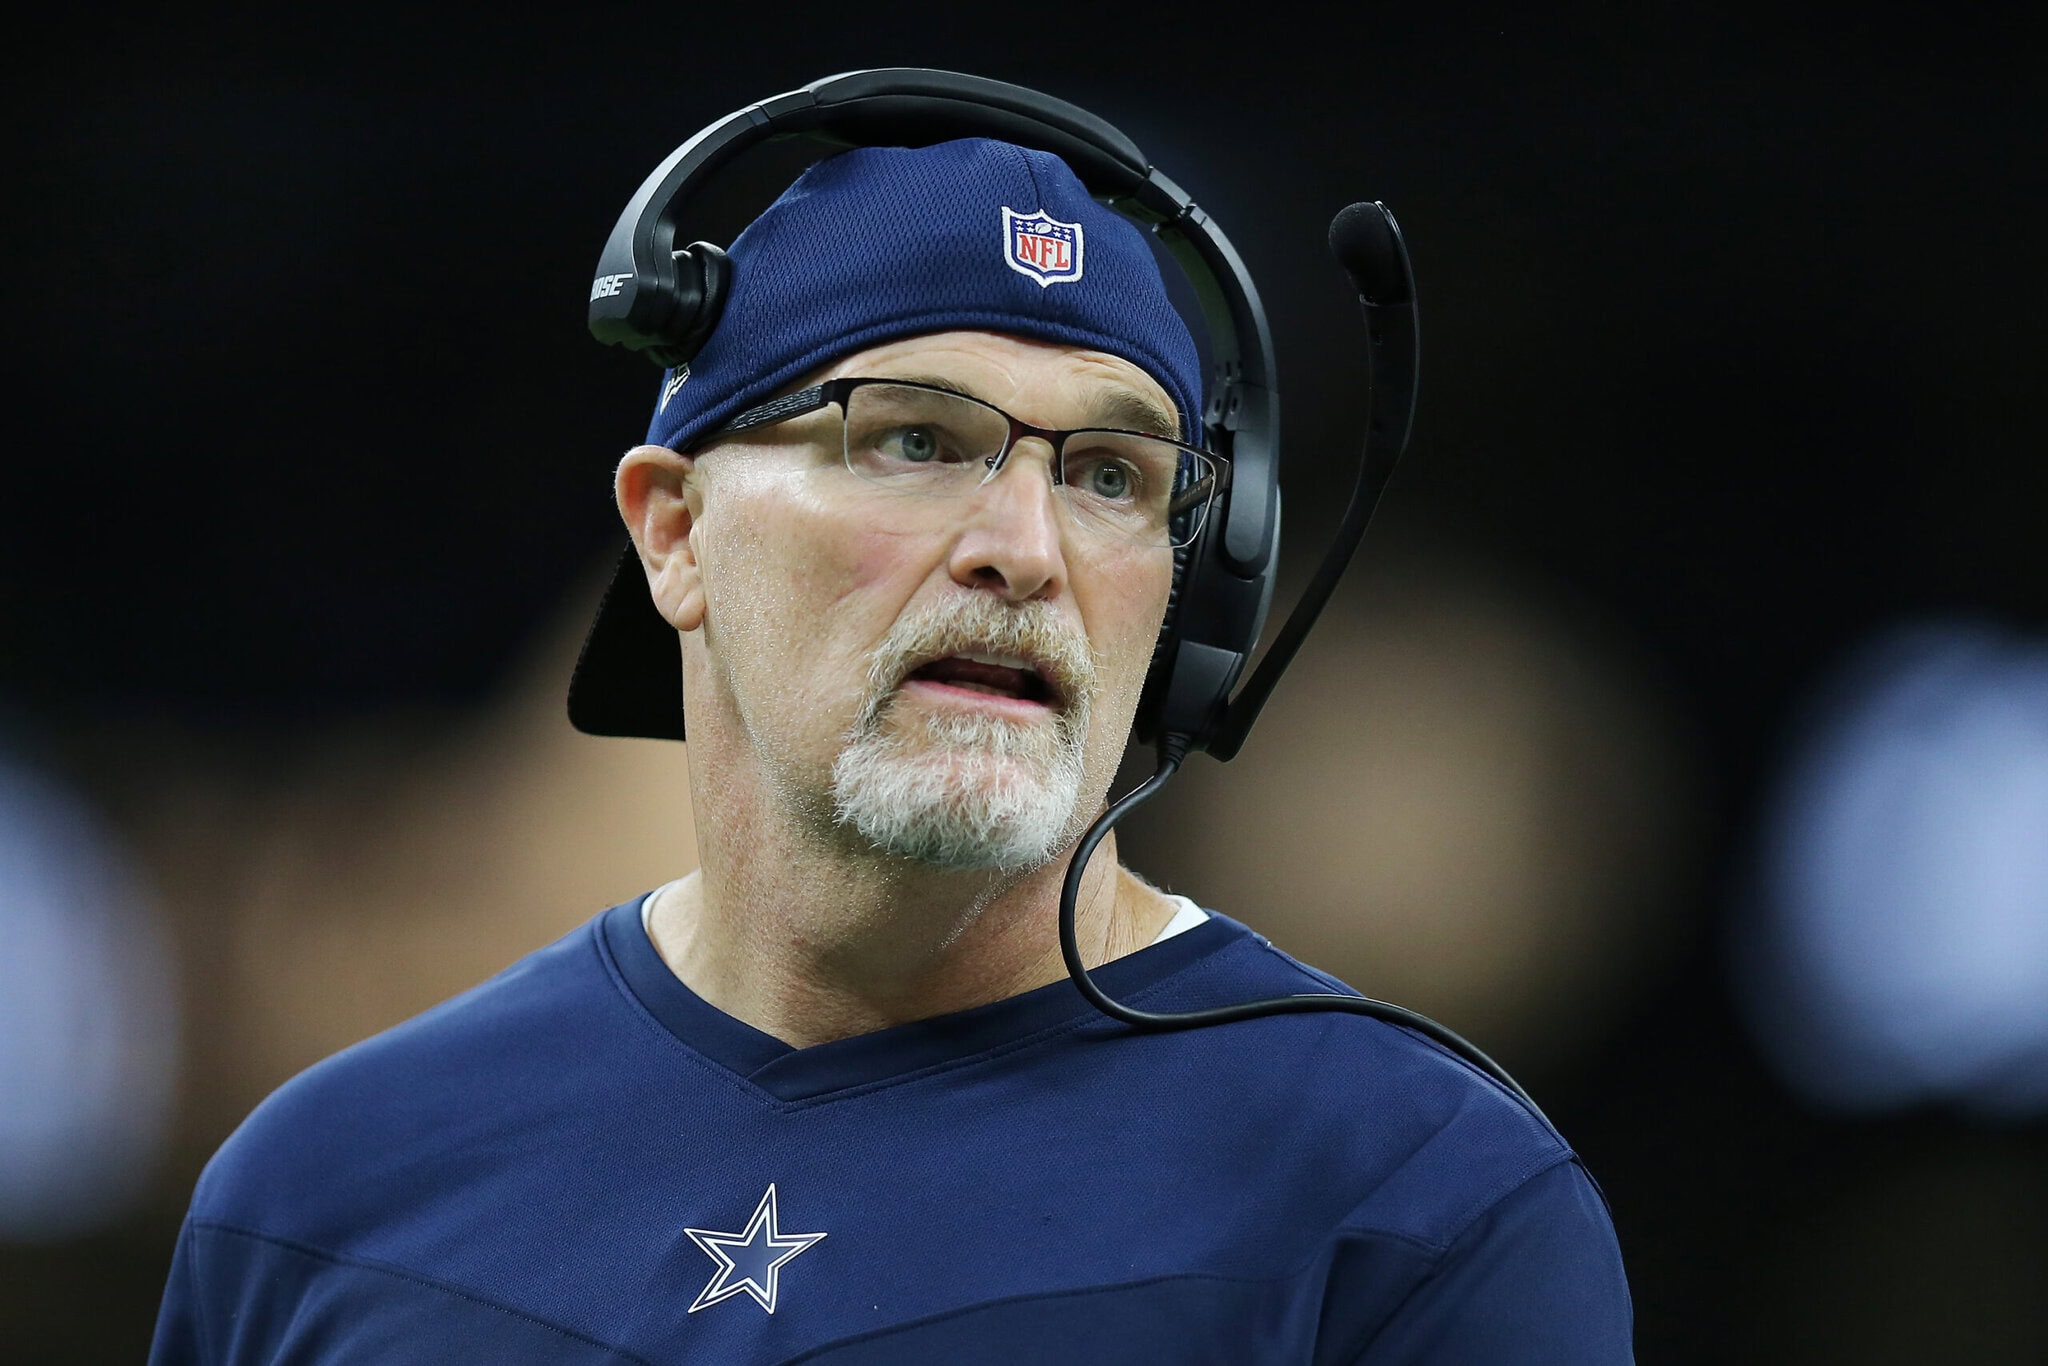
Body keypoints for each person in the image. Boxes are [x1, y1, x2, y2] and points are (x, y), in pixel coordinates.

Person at [151, 136, 1634, 1363]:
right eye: (916, 440)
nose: (1025, 547)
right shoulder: (321, 1190)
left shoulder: (1421, 1199)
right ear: (674, 532)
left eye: (1113, 474)